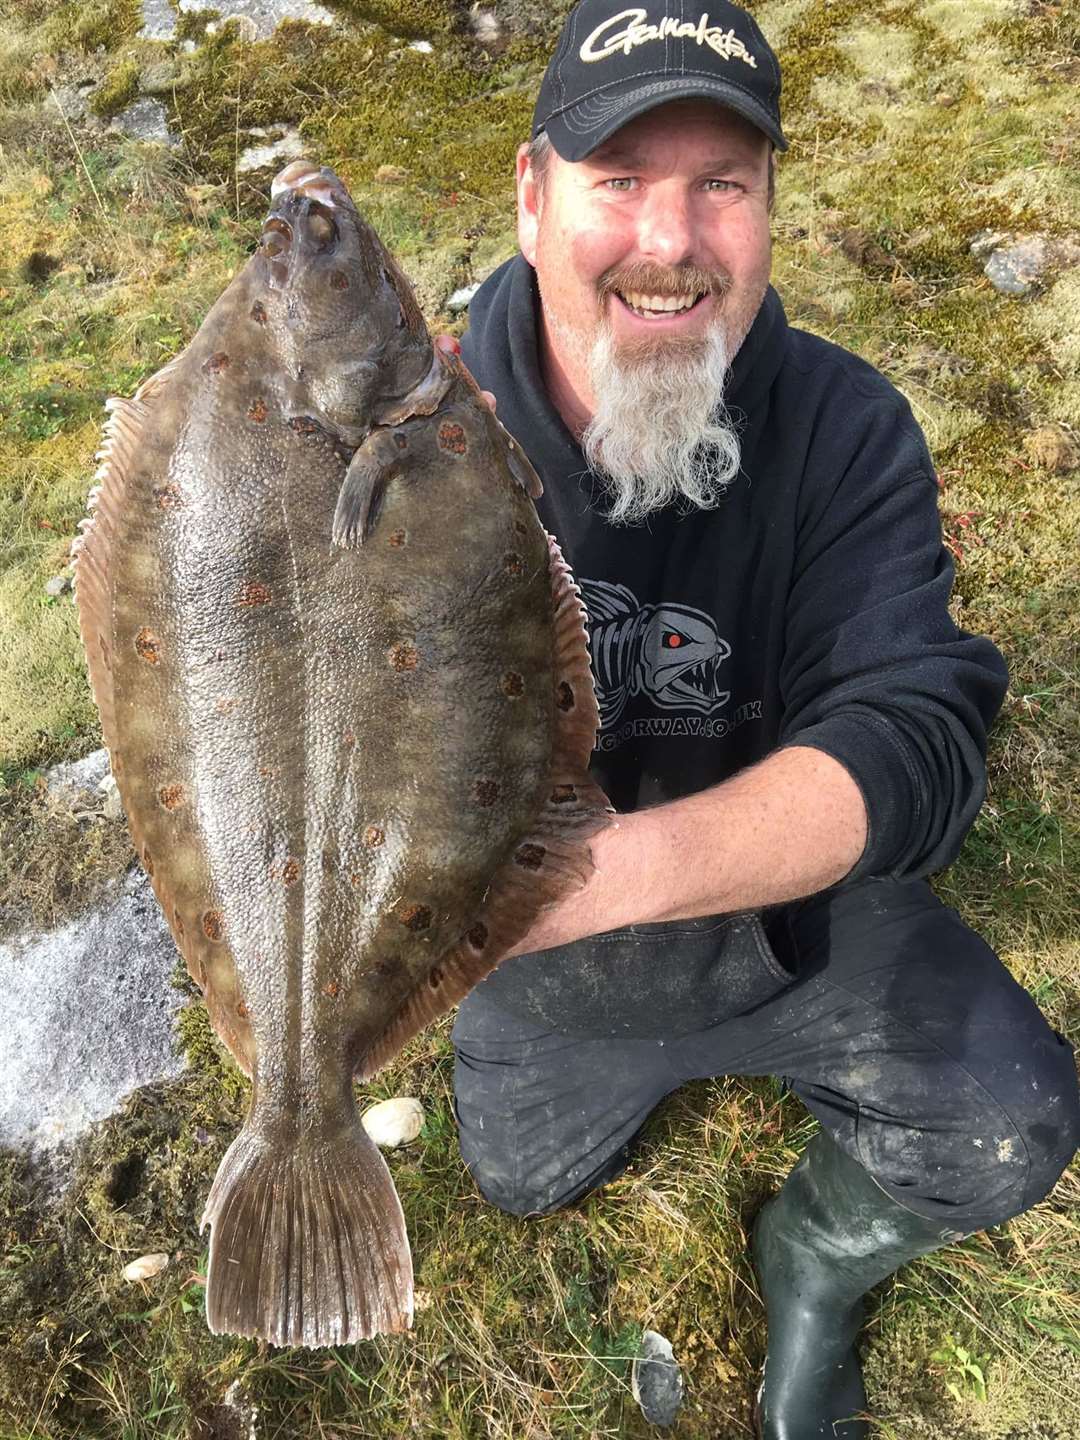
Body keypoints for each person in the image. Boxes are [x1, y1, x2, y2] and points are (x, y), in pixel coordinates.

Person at [446, 2, 1080, 1435]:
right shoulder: (413, 441)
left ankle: (813, 1261)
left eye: (721, 184)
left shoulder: (849, 430)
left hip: (798, 924)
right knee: (520, 1182)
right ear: (534, 200)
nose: (670, 240)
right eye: (619, 180)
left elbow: (920, 739)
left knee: (1011, 1124)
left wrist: (602, 878)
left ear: (771, 210)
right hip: (533, 976)